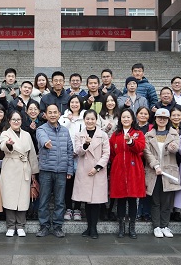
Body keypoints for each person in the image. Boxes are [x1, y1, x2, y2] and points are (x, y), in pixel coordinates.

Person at [35, 104, 74, 238]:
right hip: (46, 170)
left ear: (59, 114)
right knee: (44, 200)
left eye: (55, 112)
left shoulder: (65, 131)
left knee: (59, 201)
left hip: (61, 171)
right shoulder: (41, 129)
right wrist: (46, 143)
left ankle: (57, 226)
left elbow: (69, 151)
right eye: (50, 112)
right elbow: (42, 138)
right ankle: (44, 226)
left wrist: (69, 169)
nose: (52, 115)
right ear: (45, 115)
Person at [0, 111, 39, 237]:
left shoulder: (26, 135)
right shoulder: (5, 133)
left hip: (24, 167)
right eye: (14, 119)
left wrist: (34, 171)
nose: (16, 122)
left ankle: (21, 225)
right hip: (10, 167)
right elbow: (3, 146)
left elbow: (32, 154)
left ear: (22, 121)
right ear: (9, 121)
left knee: (23, 198)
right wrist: (8, 145)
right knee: (9, 197)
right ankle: (11, 225)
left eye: (18, 119)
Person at [144, 108, 181, 238]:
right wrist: (155, 165)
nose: (162, 120)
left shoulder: (174, 134)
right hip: (154, 172)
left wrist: (173, 148)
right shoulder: (149, 135)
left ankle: (165, 225)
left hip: (169, 171)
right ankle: (156, 226)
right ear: (155, 119)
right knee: (155, 201)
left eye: (164, 118)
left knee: (167, 201)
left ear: (168, 120)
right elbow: (147, 152)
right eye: (159, 117)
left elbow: (177, 148)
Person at [109, 108, 146, 238]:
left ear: (132, 119)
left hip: (133, 169)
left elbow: (140, 148)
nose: (126, 119)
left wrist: (130, 142)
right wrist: (117, 163)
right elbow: (112, 153)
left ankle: (132, 227)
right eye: (123, 117)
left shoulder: (138, 133)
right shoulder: (115, 134)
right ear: (120, 119)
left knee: (132, 199)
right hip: (119, 169)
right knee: (120, 199)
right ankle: (121, 227)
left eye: (128, 117)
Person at [73, 109, 110, 239]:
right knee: (87, 201)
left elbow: (106, 153)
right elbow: (78, 151)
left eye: (92, 119)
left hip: (98, 171)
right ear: (84, 120)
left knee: (95, 201)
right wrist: (86, 144)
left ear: (96, 120)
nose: (90, 121)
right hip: (84, 171)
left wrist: (97, 167)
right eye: (87, 119)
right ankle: (89, 227)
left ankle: (93, 228)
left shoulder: (103, 135)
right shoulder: (79, 135)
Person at [58, 95, 85, 221]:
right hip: (66, 156)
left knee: (79, 183)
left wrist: (79, 150)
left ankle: (77, 209)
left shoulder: (84, 117)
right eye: (72, 102)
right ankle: (68, 208)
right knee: (68, 183)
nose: (74, 104)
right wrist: (68, 120)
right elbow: (59, 133)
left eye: (77, 102)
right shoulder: (63, 117)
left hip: (81, 155)